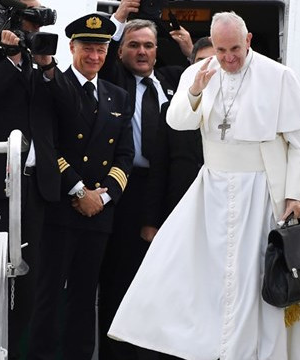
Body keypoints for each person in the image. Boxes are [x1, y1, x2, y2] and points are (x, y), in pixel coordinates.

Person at [107, 11, 300, 360]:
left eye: (235, 48)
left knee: (255, 278)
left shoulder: (279, 76)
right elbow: (178, 122)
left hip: (262, 190)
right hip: (213, 190)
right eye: (220, 51)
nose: (228, 58)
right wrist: (194, 91)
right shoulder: (199, 72)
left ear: (248, 40)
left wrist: (296, 195)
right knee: (194, 272)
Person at [0, 1, 74, 358]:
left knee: (35, 283)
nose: (35, 27)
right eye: (30, 18)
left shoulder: (43, 61)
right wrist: (9, 61)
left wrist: (48, 67)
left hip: (38, 189)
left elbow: (70, 111)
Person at [26, 13, 134, 360]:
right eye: (87, 48)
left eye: (101, 49)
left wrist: (103, 196)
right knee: (48, 293)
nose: (94, 56)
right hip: (60, 206)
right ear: (72, 47)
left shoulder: (117, 95)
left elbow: (125, 153)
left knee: (85, 297)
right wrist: (78, 190)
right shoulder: (51, 84)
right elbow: (48, 146)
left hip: (98, 212)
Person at [96, 2, 187, 359]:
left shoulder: (169, 80)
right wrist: (118, 19)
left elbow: (207, 74)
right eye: (133, 45)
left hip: (167, 192)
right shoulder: (113, 81)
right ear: (119, 52)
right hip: (125, 190)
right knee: (120, 278)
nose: (142, 51)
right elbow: (102, 53)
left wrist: (187, 48)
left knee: (164, 280)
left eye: (148, 45)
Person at [142, 38, 215, 242]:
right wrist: (151, 221)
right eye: (200, 61)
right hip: (178, 208)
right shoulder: (171, 110)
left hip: (220, 209)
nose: (205, 67)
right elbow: (159, 167)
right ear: (191, 66)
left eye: (212, 61)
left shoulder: (237, 110)